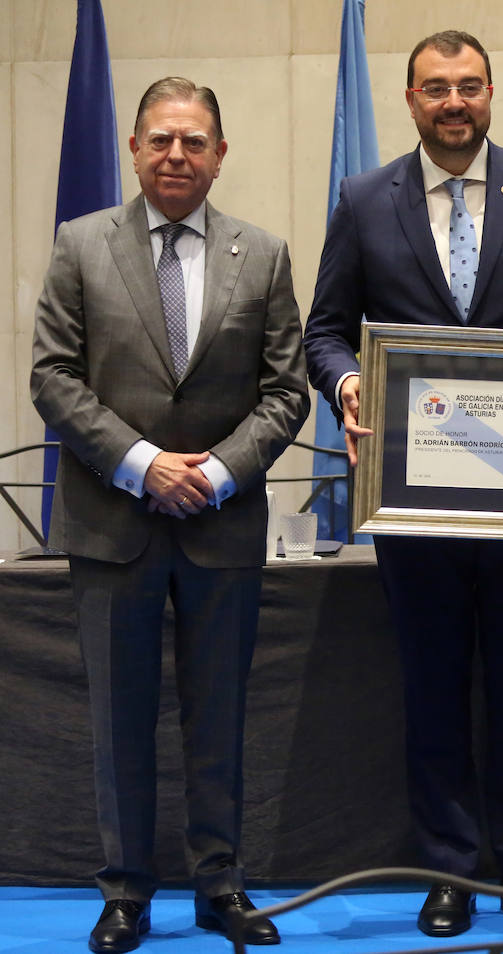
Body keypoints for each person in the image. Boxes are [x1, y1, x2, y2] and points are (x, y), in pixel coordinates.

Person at [303, 30, 503, 938]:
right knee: (435, 686)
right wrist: (346, 380)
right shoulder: (367, 199)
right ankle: (447, 871)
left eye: (470, 87)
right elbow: (324, 331)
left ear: (493, 95)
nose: (455, 103)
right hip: (413, 493)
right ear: (410, 99)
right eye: (436, 88)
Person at [30, 77, 309, 952]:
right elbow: (52, 376)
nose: (177, 155)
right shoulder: (80, 245)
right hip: (114, 523)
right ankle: (124, 892)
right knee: (119, 716)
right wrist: (144, 465)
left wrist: (218, 472)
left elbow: (286, 391)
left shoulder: (262, 256)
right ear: (135, 149)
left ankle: (220, 884)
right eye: (160, 140)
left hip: (220, 525)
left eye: (194, 142)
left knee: (218, 714)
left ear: (221, 155)